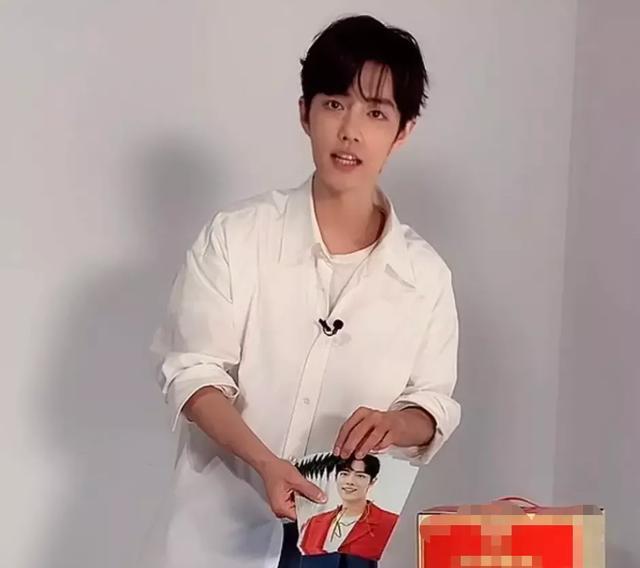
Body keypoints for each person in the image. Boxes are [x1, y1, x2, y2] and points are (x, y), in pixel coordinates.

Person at [147, 13, 461, 568]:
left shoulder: (425, 275)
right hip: (223, 536)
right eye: (334, 104)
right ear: (304, 113)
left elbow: (432, 403)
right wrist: (266, 463)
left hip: (342, 546)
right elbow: (192, 374)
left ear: (403, 131)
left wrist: (396, 423)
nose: (350, 131)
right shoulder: (237, 237)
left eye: (376, 113)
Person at [296, 454, 398, 567]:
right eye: (344, 474)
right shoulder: (314, 523)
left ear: (372, 482)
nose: (350, 481)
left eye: (360, 476)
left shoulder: (391, 523)